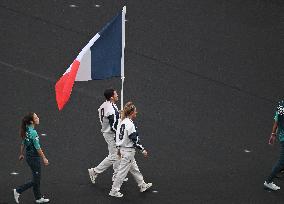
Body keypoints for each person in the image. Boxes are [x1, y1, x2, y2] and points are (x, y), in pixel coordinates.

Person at [109, 102, 152, 197]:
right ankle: (114, 191)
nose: (136, 112)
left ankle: (142, 185)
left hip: (123, 150)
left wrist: (119, 149)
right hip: (128, 151)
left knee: (135, 169)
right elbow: (135, 140)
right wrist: (143, 150)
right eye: (135, 111)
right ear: (132, 112)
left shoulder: (122, 122)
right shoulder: (130, 124)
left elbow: (117, 137)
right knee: (121, 173)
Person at [88, 89, 127, 183]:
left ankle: (116, 175)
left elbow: (110, 117)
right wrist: (120, 134)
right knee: (115, 156)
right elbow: (114, 126)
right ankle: (94, 171)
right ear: (111, 97)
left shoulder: (105, 105)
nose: (117, 95)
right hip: (111, 134)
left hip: (107, 132)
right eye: (116, 94)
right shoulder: (111, 110)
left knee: (117, 154)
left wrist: (118, 114)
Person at [13, 112, 50, 203]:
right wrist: (44, 158)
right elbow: (37, 147)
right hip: (34, 159)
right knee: (36, 180)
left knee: (36, 178)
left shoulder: (26, 130)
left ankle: (38, 198)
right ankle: (18, 190)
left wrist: (21, 154)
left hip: (29, 157)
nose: (38, 118)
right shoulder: (33, 132)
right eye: (36, 117)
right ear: (31, 121)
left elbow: (23, 143)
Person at [264, 100, 284, 191]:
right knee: (281, 162)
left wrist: (273, 134)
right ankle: (268, 182)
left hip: (281, 135)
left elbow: (276, 121)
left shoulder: (281, 105)